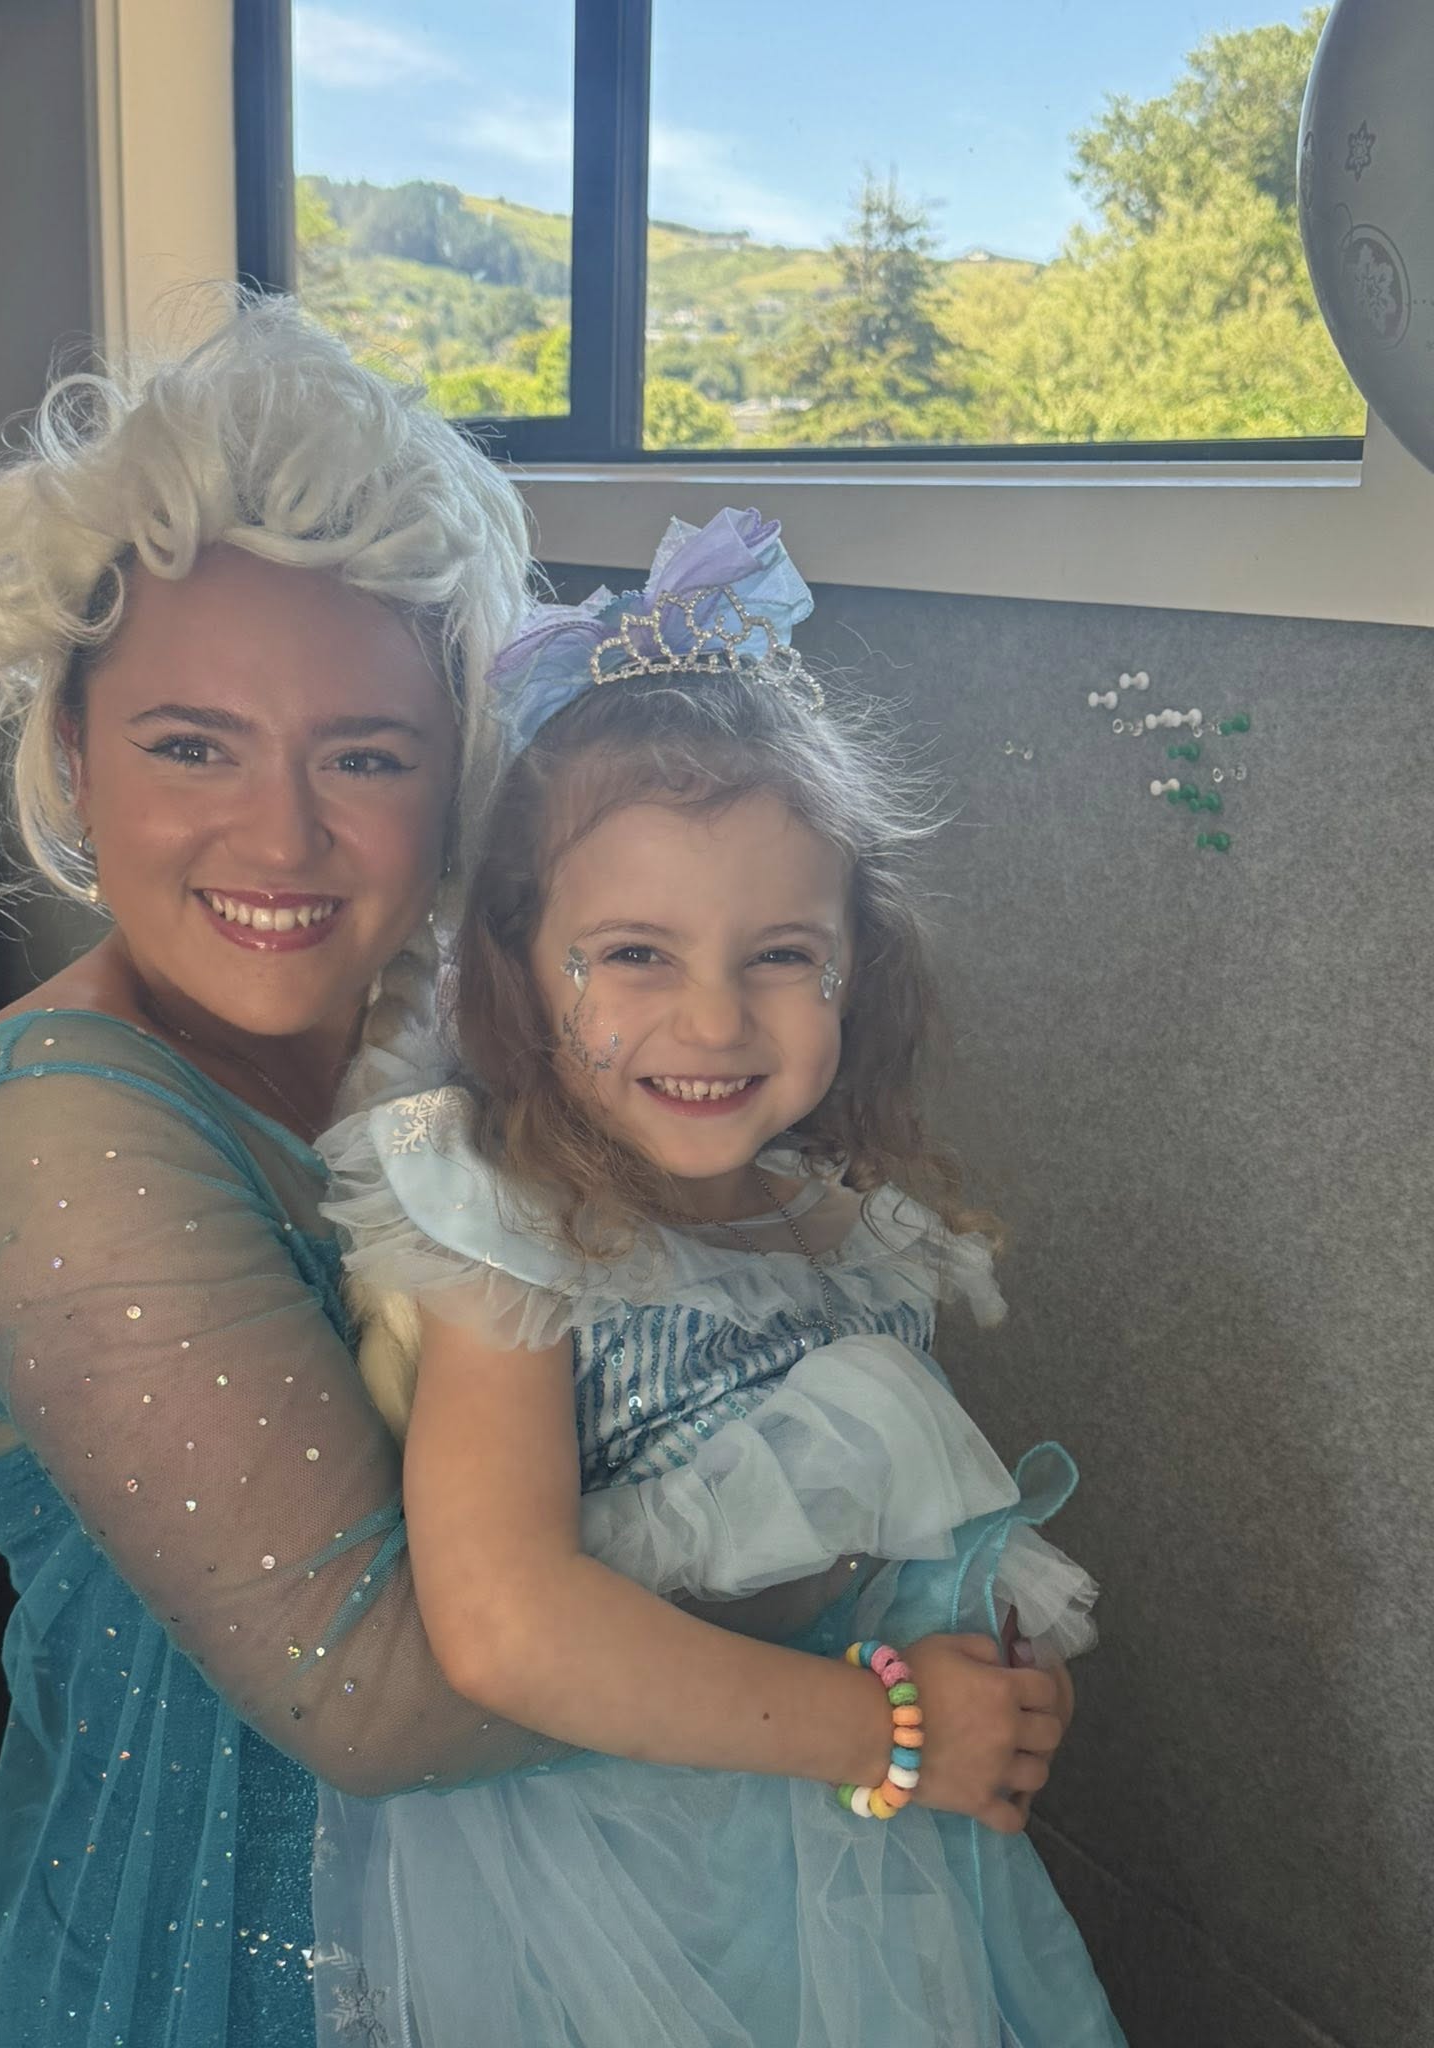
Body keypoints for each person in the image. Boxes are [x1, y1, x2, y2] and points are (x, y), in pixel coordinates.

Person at [0, 309, 1080, 2048]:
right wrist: (883, 1675)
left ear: (456, 774)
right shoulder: (62, 1138)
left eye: (364, 755)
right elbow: (383, 1693)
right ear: (74, 753)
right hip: (250, 1964)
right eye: (191, 744)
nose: (283, 836)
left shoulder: (480, 1035)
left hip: (641, 1907)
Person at [313, 509, 1125, 2047]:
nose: (714, 1021)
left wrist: (1000, 1691)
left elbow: (911, 1554)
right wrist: (893, 1728)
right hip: (612, 1887)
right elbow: (503, 1622)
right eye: (635, 954)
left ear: (856, 965)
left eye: (779, 955)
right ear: (517, 962)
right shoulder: (510, 1231)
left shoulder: (849, 1235)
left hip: (861, 1858)